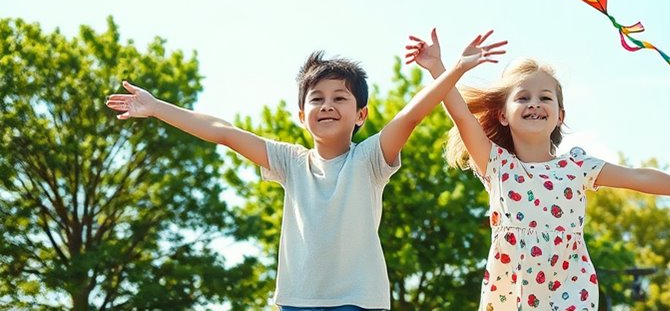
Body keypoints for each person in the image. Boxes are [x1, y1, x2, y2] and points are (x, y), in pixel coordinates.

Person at [105, 34, 504, 311]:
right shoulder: (290, 162)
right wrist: (157, 107)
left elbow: (410, 116)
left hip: (359, 301)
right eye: (317, 99)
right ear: (302, 115)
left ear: (360, 115)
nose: (327, 105)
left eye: (340, 98)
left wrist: (450, 69)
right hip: (297, 300)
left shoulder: (369, 160)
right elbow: (223, 132)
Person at [405, 29, 670, 311]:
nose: (535, 104)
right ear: (502, 115)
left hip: (570, 290)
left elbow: (640, 177)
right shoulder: (497, 165)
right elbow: (461, 115)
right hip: (513, 293)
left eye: (545, 98)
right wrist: (443, 68)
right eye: (523, 98)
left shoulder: (577, 167)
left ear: (560, 115)